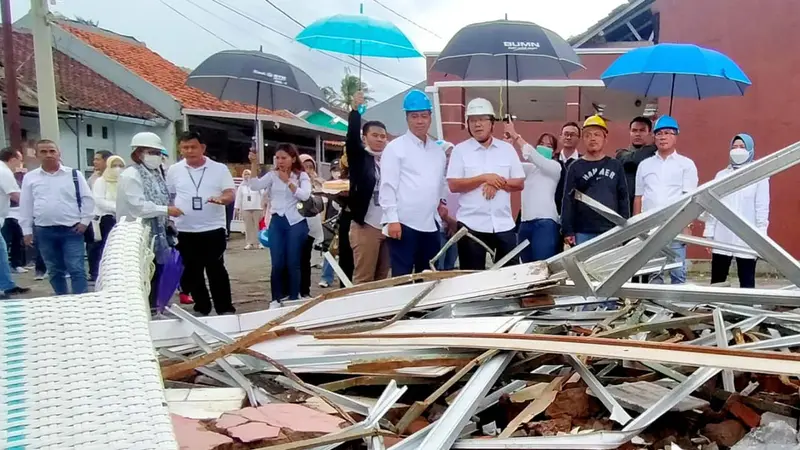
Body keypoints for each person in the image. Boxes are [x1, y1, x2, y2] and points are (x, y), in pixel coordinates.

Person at [447, 98, 525, 270]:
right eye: (473, 120)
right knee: (472, 280)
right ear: (467, 124)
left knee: (510, 276)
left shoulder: (507, 149)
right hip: (471, 226)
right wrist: (483, 178)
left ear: (492, 123)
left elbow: (519, 183)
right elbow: (453, 185)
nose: (478, 125)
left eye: (482, 119)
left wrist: (496, 182)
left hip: (504, 224)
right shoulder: (460, 151)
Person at [167, 131, 236, 316]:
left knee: (216, 268)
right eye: (185, 148)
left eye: (193, 147)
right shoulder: (174, 170)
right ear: (180, 149)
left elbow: (230, 192)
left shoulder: (219, 169)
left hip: (212, 227)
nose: (189, 151)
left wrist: (222, 199)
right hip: (184, 228)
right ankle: (202, 306)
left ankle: (225, 308)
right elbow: (168, 195)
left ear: (202, 148)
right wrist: (170, 211)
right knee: (191, 270)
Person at [379, 89, 446, 276]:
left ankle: (426, 307)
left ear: (430, 117)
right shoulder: (395, 148)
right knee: (403, 277)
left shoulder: (437, 151)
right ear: (407, 118)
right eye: (414, 116)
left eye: (424, 116)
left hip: (430, 224)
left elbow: (440, 183)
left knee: (428, 276)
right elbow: (387, 187)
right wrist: (392, 220)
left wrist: (442, 205)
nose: (420, 121)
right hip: (403, 224)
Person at [117, 132, 184, 311]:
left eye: (157, 153)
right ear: (138, 153)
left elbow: (163, 197)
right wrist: (166, 210)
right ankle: (143, 310)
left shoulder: (155, 173)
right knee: (141, 276)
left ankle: (156, 307)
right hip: (136, 233)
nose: (156, 157)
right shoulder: (131, 175)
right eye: (151, 152)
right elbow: (138, 207)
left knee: (156, 273)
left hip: (157, 235)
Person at [20, 140, 95, 295]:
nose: (48, 155)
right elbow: (26, 204)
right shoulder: (30, 178)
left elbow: (88, 199)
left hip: (72, 230)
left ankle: (81, 303)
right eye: (44, 152)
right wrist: (26, 230)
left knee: (76, 268)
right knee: (54, 270)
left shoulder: (74, 175)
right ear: (36, 155)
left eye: (52, 151)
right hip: (44, 231)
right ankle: (62, 301)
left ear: (58, 153)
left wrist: (84, 222)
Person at [634, 115, 698, 284]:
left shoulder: (686, 164)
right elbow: (638, 197)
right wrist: (636, 226)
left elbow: (690, 198)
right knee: (654, 273)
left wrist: (688, 226)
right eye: (659, 133)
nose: (663, 137)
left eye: (668, 133)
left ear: (675, 136)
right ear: (654, 137)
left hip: (675, 226)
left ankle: (677, 308)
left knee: (678, 271)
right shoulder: (645, 165)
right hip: (651, 228)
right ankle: (655, 308)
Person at [247, 143, 311, 308]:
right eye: (278, 158)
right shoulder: (272, 175)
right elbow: (254, 186)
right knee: (277, 262)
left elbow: (304, 195)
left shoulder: (301, 175)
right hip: (277, 221)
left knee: (293, 261)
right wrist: (254, 164)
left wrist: (288, 182)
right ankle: (276, 297)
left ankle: (294, 295)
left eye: (284, 158)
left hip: (295, 221)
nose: (280, 161)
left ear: (293, 158)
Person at [703, 134, 768, 288]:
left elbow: (762, 208)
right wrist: (709, 233)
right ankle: (715, 308)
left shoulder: (759, 175)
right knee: (718, 280)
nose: (737, 150)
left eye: (742, 147)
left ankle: (746, 311)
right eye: (734, 147)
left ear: (751, 150)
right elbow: (713, 205)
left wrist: (761, 236)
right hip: (722, 235)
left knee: (746, 280)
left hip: (747, 237)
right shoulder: (721, 175)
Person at [561, 115, 629, 246]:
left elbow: (623, 198)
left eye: (597, 134)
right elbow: (568, 200)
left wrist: (624, 225)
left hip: (612, 229)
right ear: (583, 139)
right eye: (588, 135)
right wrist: (568, 230)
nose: (592, 138)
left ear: (605, 139)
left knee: (611, 266)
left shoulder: (615, 165)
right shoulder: (575, 167)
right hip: (583, 231)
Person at [346, 91, 391, 284]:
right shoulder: (359, 157)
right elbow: (351, 140)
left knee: (382, 277)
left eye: (383, 136)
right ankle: (361, 314)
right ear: (365, 137)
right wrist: (355, 111)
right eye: (375, 135)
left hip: (389, 226)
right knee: (364, 277)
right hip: (366, 225)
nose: (380, 139)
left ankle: (378, 314)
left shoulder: (391, 159)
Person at [506, 123, 563, 262]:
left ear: (554, 150)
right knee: (525, 268)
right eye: (541, 144)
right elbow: (508, 165)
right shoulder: (527, 169)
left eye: (549, 146)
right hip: (525, 223)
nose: (544, 147)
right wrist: (507, 146)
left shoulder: (554, 167)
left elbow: (533, 155)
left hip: (545, 222)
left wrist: (516, 135)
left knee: (541, 266)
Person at [0, 148, 29, 299]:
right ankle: (6, 286)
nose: (20, 163)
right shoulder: (4, 172)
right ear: (12, 159)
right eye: (19, 159)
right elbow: (16, 196)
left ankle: (7, 285)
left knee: (2, 253)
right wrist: (33, 208)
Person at [616, 117, 658, 213]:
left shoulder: (657, 157)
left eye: (642, 130)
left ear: (650, 133)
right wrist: (655, 144)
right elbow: (633, 160)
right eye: (634, 130)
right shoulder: (621, 153)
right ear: (630, 133)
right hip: (627, 209)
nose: (638, 134)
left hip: (651, 208)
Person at [298, 154, 324, 297]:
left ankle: (305, 291)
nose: (308, 170)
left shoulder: (315, 183)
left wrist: (315, 179)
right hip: (296, 225)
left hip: (312, 226)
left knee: (305, 260)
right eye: (305, 167)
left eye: (310, 167)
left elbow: (325, 192)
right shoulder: (295, 182)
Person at [436, 141, 458, 270]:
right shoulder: (433, 178)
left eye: (452, 156)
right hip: (439, 229)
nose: (450, 159)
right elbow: (438, 208)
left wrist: (454, 225)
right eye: (447, 155)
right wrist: (450, 222)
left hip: (453, 230)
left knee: (450, 268)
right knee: (439, 268)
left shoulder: (454, 179)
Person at [554, 122, 582, 215]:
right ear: (560, 136)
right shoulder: (552, 160)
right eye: (566, 134)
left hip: (576, 212)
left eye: (572, 135)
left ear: (578, 139)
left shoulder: (583, 162)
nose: (568, 137)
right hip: (552, 210)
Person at [234, 169, 264, 250]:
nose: (247, 176)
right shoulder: (241, 186)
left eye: (248, 174)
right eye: (245, 174)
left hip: (257, 207)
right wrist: (237, 208)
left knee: (257, 226)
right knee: (248, 226)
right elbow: (238, 198)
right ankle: (249, 243)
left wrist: (264, 206)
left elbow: (263, 195)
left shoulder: (257, 184)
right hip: (246, 208)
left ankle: (260, 242)